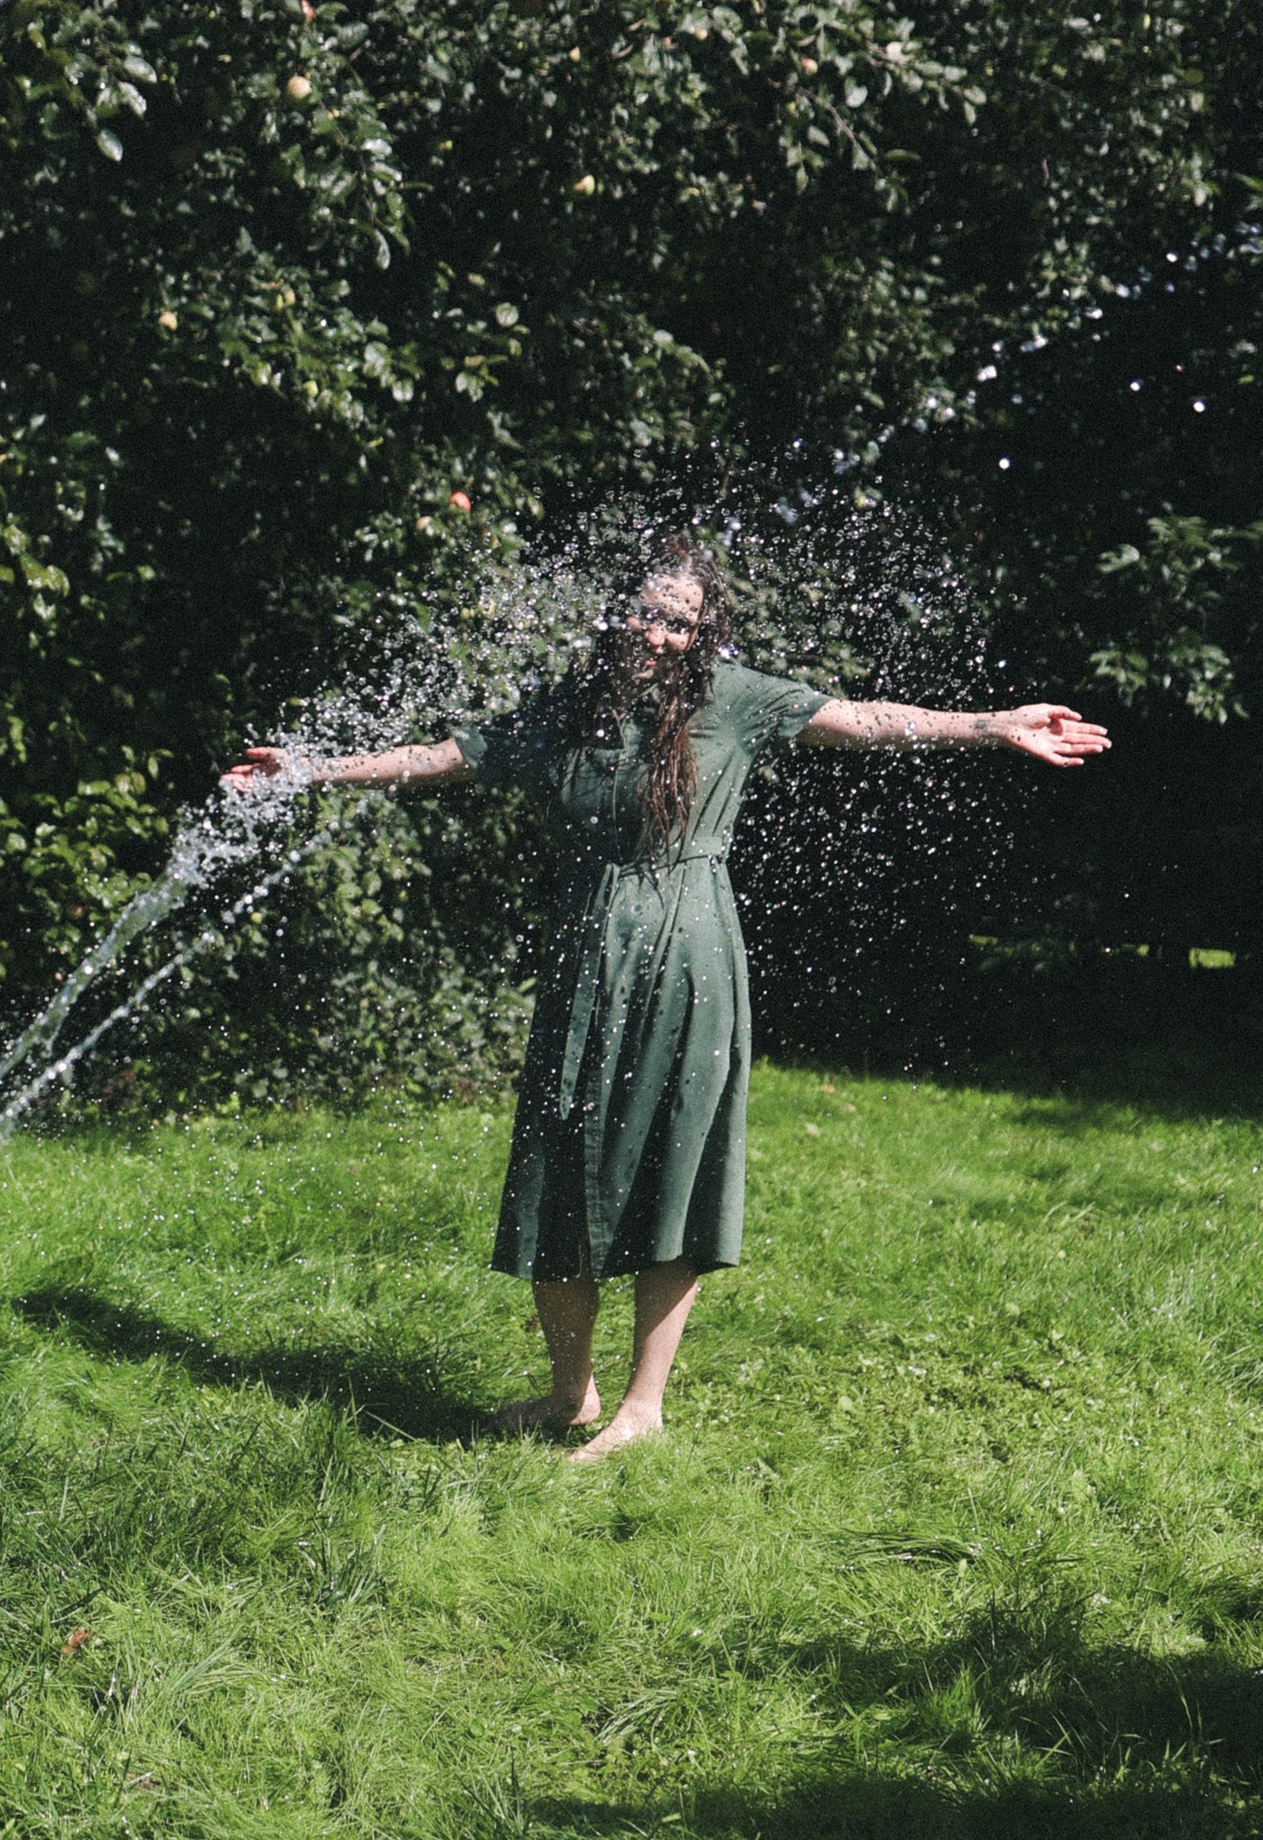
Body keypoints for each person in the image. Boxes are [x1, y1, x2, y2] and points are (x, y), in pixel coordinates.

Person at [228, 537, 1107, 1459]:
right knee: (558, 1169)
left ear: (705, 631)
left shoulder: (736, 701)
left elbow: (865, 719)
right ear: (617, 614)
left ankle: (642, 1410)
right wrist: (311, 770)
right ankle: (572, 1394)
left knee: (670, 1173)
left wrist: (992, 723)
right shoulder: (568, 711)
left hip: (691, 964)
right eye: (647, 614)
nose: (661, 635)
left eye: (682, 622)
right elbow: (444, 757)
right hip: (584, 965)